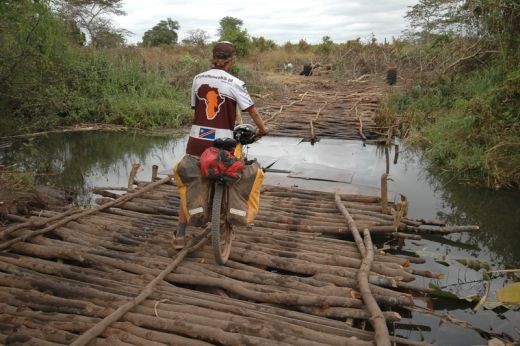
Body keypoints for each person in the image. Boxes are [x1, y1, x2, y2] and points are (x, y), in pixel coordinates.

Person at [173, 41, 268, 248]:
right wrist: (263, 131)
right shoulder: (235, 82)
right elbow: (253, 112)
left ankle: (180, 235)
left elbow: (195, 108)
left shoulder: (198, 79)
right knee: (232, 178)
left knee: (190, 184)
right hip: (225, 144)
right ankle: (226, 226)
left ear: (212, 57)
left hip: (197, 141)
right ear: (232, 60)